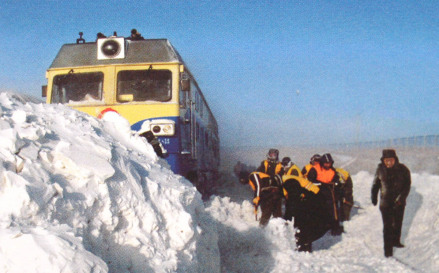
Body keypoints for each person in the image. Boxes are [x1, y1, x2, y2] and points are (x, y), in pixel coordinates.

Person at [371, 149, 411, 258]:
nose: (389, 163)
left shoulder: (403, 169)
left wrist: (401, 198)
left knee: (398, 223)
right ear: (383, 160)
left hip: (399, 202)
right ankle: (388, 251)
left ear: (395, 159)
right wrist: (374, 197)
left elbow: (407, 186)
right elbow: (375, 184)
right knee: (388, 226)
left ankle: (396, 242)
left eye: (391, 160)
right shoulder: (380, 169)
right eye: (386, 160)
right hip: (385, 203)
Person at [282, 174, 330, 252]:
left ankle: (302, 245)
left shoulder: (289, 183)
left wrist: (287, 218)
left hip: (314, 199)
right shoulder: (288, 181)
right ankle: (304, 244)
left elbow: (292, 202)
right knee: (304, 221)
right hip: (312, 198)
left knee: (302, 221)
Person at [307, 153, 344, 235]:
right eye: (326, 163)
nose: (328, 165)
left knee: (333, 209)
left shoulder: (332, 171)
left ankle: (335, 226)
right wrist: (322, 184)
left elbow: (336, 180)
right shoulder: (314, 169)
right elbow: (310, 180)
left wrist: (336, 184)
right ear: (322, 162)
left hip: (330, 193)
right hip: (318, 193)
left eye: (329, 163)